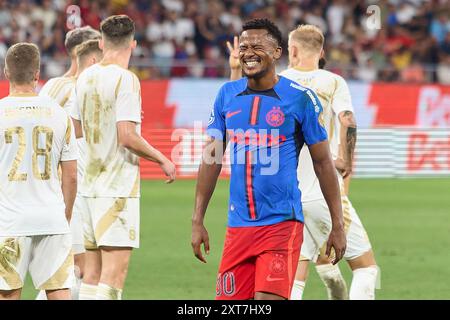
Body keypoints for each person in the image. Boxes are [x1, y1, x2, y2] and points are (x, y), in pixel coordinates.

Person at [191, 18, 346, 300]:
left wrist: (338, 224)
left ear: (277, 53)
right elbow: (211, 158)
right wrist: (197, 219)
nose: (248, 52)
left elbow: (323, 163)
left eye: (258, 46)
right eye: (244, 46)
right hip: (237, 228)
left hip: (281, 224)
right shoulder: (226, 95)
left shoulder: (300, 98)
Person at [70, 15, 176, 300]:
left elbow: (76, 130)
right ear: (134, 44)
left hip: (89, 187)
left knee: (91, 275)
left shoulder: (84, 77)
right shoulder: (126, 79)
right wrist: (162, 159)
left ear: (101, 42)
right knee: (114, 275)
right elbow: (127, 136)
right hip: (116, 188)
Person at [0, 43, 78, 300]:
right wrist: (64, 215)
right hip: (51, 218)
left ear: (6, 72)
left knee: (8, 295)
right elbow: (71, 175)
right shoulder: (59, 114)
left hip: (9, 221)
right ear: (37, 73)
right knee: (58, 293)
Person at [36, 26, 100, 300]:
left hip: (71, 187)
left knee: (70, 269)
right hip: (71, 190)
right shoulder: (69, 87)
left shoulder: (59, 87)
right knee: (77, 269)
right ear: (82, 52)